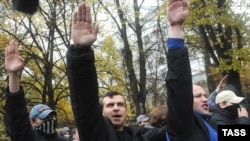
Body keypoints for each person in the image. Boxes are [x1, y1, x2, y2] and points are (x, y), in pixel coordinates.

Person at [66, 2, 146, 141]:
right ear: (101, 112)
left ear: (126, 111)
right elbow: (85, 99)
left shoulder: (139, 137)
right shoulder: (98, 135)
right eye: (110, 105)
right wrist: (80, 51)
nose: (116, 108)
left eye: (120, 104)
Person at [164, 0, 217, 140]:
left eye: (205, 95)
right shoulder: (184, 127)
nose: (205, 99)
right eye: (198, 96)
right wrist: (175, 28)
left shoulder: (212, 124)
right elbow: (179, 84)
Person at [4, 40, 67, 140]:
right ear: (32, 122)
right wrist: (13, 75)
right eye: (45, 118)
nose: (51, 120)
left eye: (52, 117)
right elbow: (16, 116)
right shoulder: (29, 138)